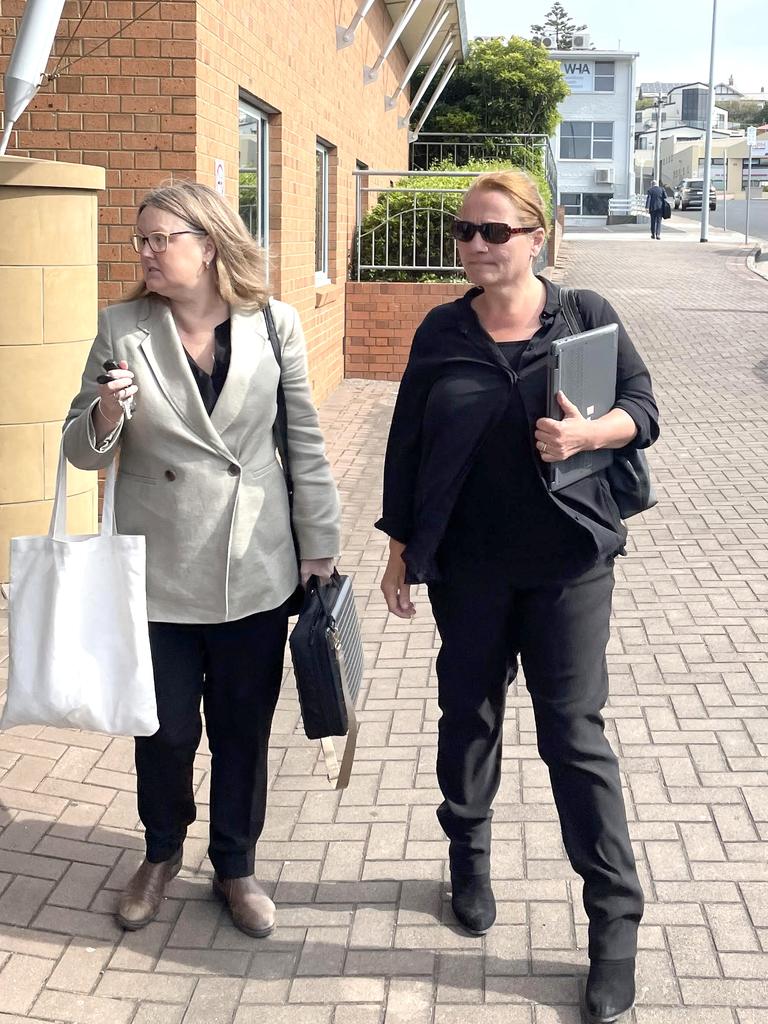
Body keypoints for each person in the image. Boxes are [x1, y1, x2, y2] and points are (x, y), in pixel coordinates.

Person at [376, 170, 659, 1024]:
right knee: (468, 714)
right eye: (465, 232)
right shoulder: (441, 330)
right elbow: (408, 442)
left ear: (538, 236)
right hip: (469, 568)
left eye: (495, 231)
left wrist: (587, 432)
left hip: (568, 565)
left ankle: (614, 926)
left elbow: (643, 409)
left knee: (574, 737)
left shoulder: (584, 315)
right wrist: (398, 550)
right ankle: (468, 854)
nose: (476, 247)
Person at [63, 181, 340, 937]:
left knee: (243, 726)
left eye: (160, 239)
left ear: (208, 243)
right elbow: (79, 452)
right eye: (141, 241)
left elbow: (305, 444)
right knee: (166, 730)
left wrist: (320, 546)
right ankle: (159, 853)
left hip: (254, 564)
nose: (146, 253)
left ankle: (236, 865)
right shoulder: (123, 327)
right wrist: (108, 410)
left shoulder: (274, 323)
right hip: (159, 571)